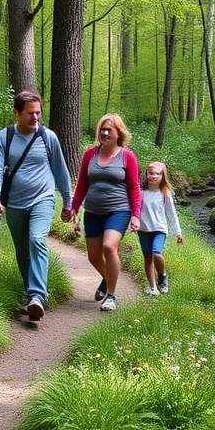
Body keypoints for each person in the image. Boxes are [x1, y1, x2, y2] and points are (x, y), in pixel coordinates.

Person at [0, 91, 73, 322]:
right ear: (17, 113)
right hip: (14, 202)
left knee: (37, 239)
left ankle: (37, 296)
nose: (36, 118)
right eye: (30, 114)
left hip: (43, 199)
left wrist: (68, 201)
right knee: (22, 251)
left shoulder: (48, 137)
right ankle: (30, 296)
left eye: (38, 113)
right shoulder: (4, 137)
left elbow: (61, 170)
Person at [65, 114, 141, 312]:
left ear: (119, 134)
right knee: (93, 256)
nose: (105, 133)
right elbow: (82, 184)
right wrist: (74, 208)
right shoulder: (90, 155)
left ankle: (112, 296)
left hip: (119, 210)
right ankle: (108, 278)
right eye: (102, 129)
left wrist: (136, 215)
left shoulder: (127, 157)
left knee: (109, 247)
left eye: (109, 130)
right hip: (93, 211)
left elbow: (134, 188)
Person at [137, 161, 183, 295]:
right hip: (144, 229)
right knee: (147, 258)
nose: (154, 176)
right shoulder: (141, 192)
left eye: (157, 174)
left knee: (156, 253)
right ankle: (153, 287)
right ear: (146, 174)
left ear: (163, 176)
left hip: (159, 229)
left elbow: (171, 213)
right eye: (151, 173)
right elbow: (135, 210)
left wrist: (178, 232)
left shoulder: (165, 193)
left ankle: (162, 276)